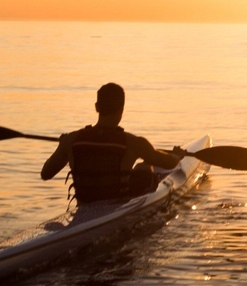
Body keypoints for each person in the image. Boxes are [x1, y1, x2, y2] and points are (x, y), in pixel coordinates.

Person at [40, 82, 181, 204]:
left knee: (140, 167)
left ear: (96, 107)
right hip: (117, 206)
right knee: (145, 167)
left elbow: (46, 174)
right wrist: (177, 156)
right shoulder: (133, 143)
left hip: (84, 206)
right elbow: (169, 163)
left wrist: (62, 146)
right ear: (122, 109)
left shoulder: (71, 140)